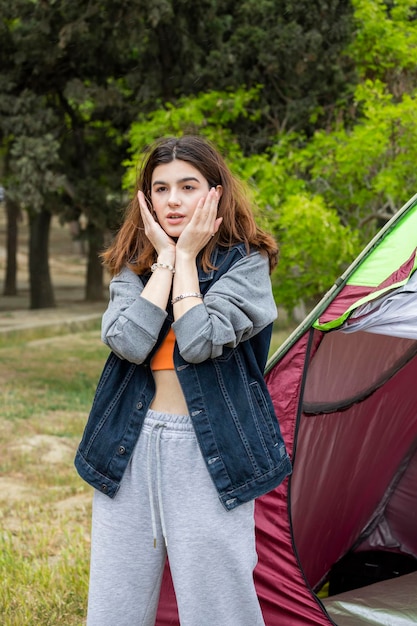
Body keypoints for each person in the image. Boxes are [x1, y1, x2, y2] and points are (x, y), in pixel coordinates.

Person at [75, 135, 292, 626]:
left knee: (218, 605)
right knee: (115, 604)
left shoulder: (247, 265)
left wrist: (188, 260)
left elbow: (197, 340)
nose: (173, 200)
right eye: (161, 188)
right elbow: (128, 341)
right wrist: (166, 261)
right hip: (127, 447)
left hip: (210, 451)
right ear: (146, 199)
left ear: (215, 193)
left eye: (188, 186)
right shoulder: (135, 265)